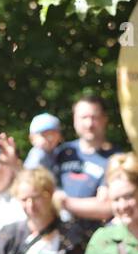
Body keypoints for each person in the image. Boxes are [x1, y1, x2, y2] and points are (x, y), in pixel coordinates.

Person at [48, 93, 122, 242]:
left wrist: (64, 202)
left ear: (104, 119)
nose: (89, 124)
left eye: (94, 117)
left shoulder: (116, 159)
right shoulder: (62, 152)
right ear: (75, 120)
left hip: (95, 240)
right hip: (56, 238)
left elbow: (107, 207)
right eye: (84, 117)